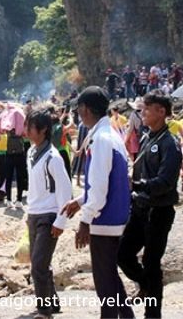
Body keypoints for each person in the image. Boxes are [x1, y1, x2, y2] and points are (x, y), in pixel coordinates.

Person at [60, 86, 133, 319]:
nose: (78, 115)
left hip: (105, 219)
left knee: (104, 280)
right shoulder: (110, 135)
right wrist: (81, 201)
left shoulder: (101, 139)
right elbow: (106, 182)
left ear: (85, 109)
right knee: (110, 274)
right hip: (115, 216)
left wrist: (85, 221)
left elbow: (100, 187)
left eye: (79, 110)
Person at [118, 90, 180, 319]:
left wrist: (137, 185)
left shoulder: (169, 143)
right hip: (140, 208)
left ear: (161, 112)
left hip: (159, 210)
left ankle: (153, 314)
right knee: (123, 254)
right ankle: (147, 285)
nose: (141, 112)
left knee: (152, 262)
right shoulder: (147, 137)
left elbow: (165, 182)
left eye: (146, 108)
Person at [25, 106, 73, 319]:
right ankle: (52, 302)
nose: (27, 131)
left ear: (43, 129)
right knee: (41, 262)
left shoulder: (53, 157)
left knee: (38, 265)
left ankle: (44, 311)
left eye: (30, 128)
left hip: (49, 215)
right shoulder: (31, 152)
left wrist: (61, 221)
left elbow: (65, 190)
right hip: (34, 214)